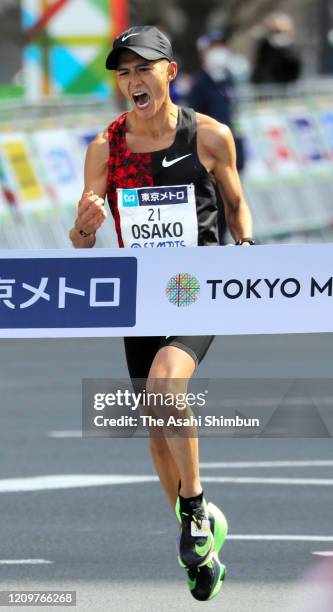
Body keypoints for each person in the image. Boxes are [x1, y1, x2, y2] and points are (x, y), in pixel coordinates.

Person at [69, 25, 254, 601]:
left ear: (169, 72)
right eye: (123, 72)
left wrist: (243, 257)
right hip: (139, 298)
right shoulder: (107, 147)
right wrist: (85, 225)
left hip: (198, 288)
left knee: (167, 380)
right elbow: (80, 242)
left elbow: (236, 206)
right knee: (154, 431)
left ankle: (196, 509)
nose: (132, 81)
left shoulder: (210, 135)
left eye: (142, 68)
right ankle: (200, 547)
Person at [187, 31, 246, 244]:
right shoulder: (200, 85)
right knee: (211, 207)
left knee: (233, 203)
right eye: (213, 47)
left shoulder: (228, 80)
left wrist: (241, 154)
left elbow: (235, 118)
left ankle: (233, 242)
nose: (219, 52)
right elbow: (194, 121)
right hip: (208, 157)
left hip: (230, 153)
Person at [251, 12, 302, 85]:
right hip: (267, 84)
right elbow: (261, 64)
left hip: (286, 84)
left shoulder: (291, 47)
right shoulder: (266, 44)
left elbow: (294, 65)